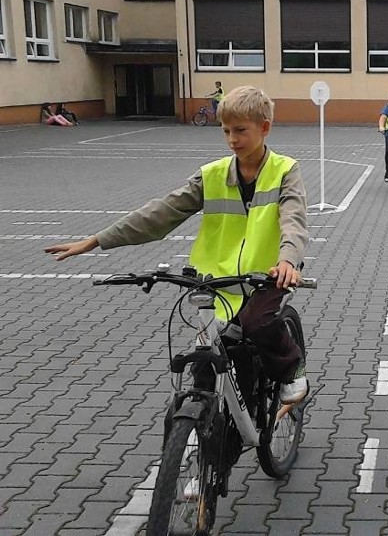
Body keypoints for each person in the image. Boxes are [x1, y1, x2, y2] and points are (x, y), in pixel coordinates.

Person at [44, 86, 311, 405]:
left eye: (240, 130)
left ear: (264, 128)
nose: (232, 139)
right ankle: (204, 424)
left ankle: (292, 372)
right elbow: (161, 213)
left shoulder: (284, 170)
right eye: (225, 131)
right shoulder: (211, 175)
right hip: (216, 278)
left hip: (268, 274)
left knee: (257, 323)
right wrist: (97, 240)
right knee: (206, 354)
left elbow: (293, 218)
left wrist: (288, 261)